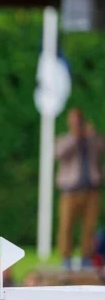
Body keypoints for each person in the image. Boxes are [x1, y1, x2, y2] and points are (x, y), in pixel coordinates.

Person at [54, 108, 104, 269]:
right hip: (70, 190)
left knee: (89, 226)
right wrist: (76, 137)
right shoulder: (65, 138)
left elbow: (101, 147)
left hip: (91, 189)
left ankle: (86, 256)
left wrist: (92, 135)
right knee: (66, 225)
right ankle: (66, 257)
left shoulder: (91, 139)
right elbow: (58, 153)